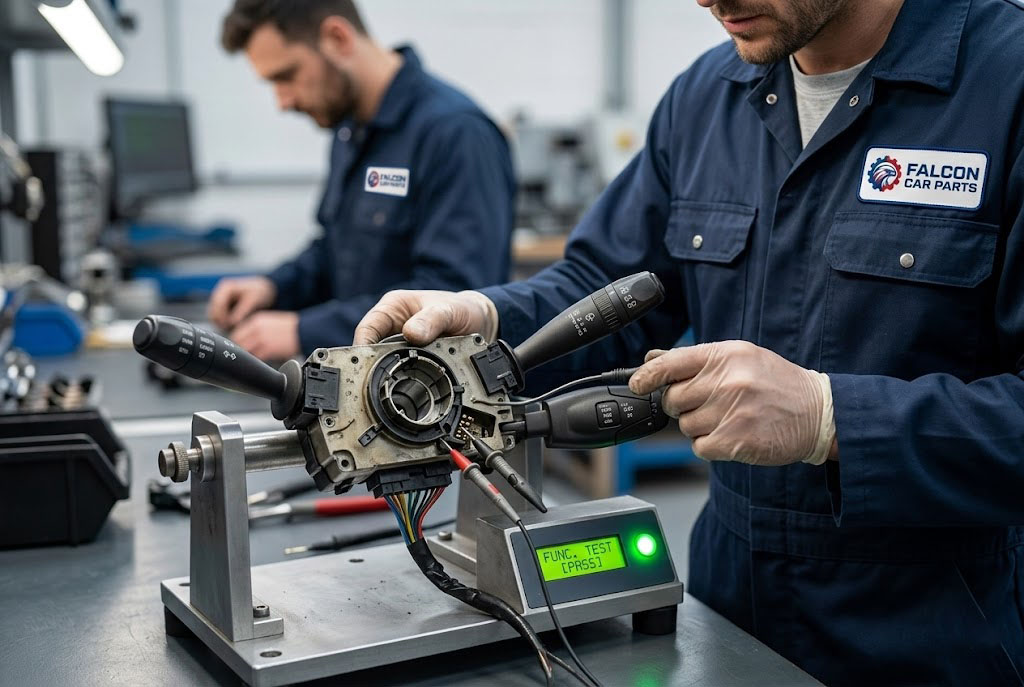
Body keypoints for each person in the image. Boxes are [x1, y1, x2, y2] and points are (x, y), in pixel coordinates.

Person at [351, 0, 1024, 684]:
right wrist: (485, 318)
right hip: (729, 607)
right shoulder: (708, 96)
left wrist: (832, 418)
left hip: (939, 629)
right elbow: (606, 286)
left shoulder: (1008, 82)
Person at [209, 0, 515, 360]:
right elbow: (335, 252)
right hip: (362, 379)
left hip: (423, 397)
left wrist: (302, 331)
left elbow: (454, 298)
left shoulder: (456, 134)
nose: (282, 101)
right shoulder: (350, 132)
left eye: (286, 76)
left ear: (337, 38)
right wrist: (271, 287)